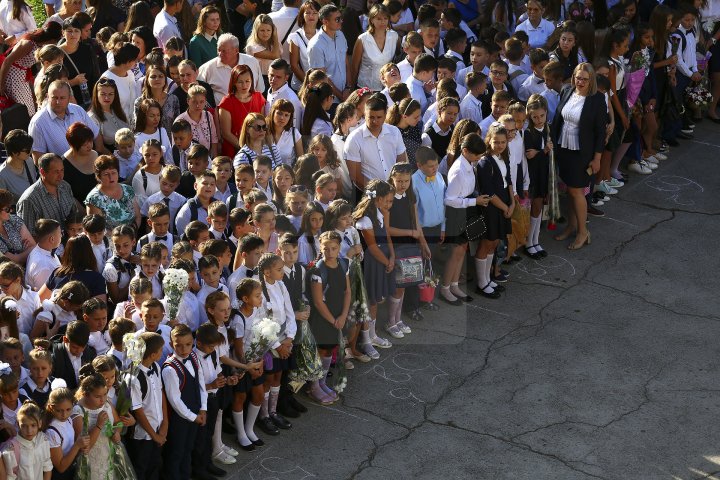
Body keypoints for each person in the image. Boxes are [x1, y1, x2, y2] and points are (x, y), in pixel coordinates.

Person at [551, 62, 605, 250]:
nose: (580, 81)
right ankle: (572, 226)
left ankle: (583, 232)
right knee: (569, 191)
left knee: (576, 191)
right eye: (577, 77)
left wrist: (597, 158)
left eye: (584, 79)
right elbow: (558, 120)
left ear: (592, 81)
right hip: (563, 148)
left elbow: (600, 132)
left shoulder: (598, 99)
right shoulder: (567, 91)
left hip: (582, 153)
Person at [442, 132, 489, 304]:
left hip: (467, 210)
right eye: (477, 155)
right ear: (466, 151)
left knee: (462, 251)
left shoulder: (468, 163)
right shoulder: (458, 170)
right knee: (455, 254)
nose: (479, 158)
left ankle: (454, 285)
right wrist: (474, 201)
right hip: (457, 214)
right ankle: (445, 288)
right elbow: (449, 200)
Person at [162, 324, 207, 480]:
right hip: (179, 419)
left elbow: (201, 383)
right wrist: (193, 416)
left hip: (195, 412)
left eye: (188, 344)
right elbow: (174, 400)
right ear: (171, 345)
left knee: (188, 449)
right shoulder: (170, 368)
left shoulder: (194, 357)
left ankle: (186, 476)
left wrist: (203, 409)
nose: (184, 349)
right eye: (178, 345)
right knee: (176, 452)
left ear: (193, 342)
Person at [28, 81, 102, 162]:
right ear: (47, 97)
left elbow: (96, 135)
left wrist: (97, 158)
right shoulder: (38, 123)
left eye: (62, 98)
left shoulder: (78, 110)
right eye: (54, 97)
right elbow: (38, 159)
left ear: (69, 98)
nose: (58, 102)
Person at [345, 95, 408, 191]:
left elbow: (401, 163)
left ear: (385, 114)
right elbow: (356, 176)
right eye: (371, 117)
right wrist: (376, 193)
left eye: (379, 117)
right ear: (364, 115)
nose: (375, 121)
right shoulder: (354, 139)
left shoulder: (394, 132)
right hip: (369, 196)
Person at [0, 23, 62, 117]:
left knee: (30, 107)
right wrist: (1, 85)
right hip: (13, 76)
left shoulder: (38, 44)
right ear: (51, 39)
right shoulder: (28, 44)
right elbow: (7, 61)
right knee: (21, 108)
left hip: (22, 75)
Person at [71, 369, 120, 480]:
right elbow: (84, 447)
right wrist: (98, 426)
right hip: (91, 464)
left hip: (109, 459)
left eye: (105, 394)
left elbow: (118, 422)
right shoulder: (78, 412)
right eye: (97, 397)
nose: (102, 400)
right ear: (85, 394)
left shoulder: (107, 404)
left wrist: (117, 432)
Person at [16, 154, 77, 237]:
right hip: (47, 248)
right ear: (43, 172)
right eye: (56, 171)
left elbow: (74, 215)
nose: (60, 175)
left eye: (62, 170)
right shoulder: (29, 200)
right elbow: (27, 236)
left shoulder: (65, 186)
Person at [199, 33, 264, 105]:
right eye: (218, 50)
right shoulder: (207, 68)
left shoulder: (252, 62)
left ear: (236, 51)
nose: (220, 54)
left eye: (224, 51)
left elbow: (259, 90)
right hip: (221, 113)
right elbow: (198, 92)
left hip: (250, 111)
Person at [523, 99, 552, 259]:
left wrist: (541, 152)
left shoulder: (547, 129)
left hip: (544, 173)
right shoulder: (528, 133)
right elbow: (529, 155)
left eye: (542, 115)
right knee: (534, 206)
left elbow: (540, 153)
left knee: (539, 206)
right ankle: (528, 242)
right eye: (535, 117)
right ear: (530, 117)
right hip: (533, 175)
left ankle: (535, 240)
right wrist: (543, 151)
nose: (539, 119)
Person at [218, 64, 267, 158]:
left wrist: (256, 147)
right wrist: (247, 149)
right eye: (240, 82)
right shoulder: (227, 102)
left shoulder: (258, 97)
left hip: (257, 147)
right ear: (234, 83)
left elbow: (263, 125)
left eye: (247, 81)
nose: (244, 85)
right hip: (235, 150)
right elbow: (226, 133)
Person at [307, 4, 350, 103]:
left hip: (345, 95)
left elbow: (346, 62)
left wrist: (348, 87)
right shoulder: (316, 45)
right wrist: (341, 96)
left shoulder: (341, 35)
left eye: (341, 18)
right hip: (327, 100)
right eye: (337, 19)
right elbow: (321, 77)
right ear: (325, 21)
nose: (341, 21)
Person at [85, 155, 140, 230]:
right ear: (99, 176)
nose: (111, 177)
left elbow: (137, 216)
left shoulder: (128, 189)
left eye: (113, 173)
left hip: (132, 237)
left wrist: (132, 232)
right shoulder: (94, 199)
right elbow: (97, 229)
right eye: (106, 174)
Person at [351, 4, 398, 91]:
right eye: (379, 19)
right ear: (372, 20)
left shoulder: (394, 36)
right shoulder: (362, 39)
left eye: (385, 18)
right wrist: (351, 89)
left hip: (386, 88)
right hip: (365, 89)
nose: (382, 22)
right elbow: (354, 67)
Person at [46, 387, 89, 479]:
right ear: (51, 407)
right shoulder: (51, 432)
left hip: (71, 470)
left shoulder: (69, 420)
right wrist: (77, 446)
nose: (64, 414)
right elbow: (61, 467)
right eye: (59, 410)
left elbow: (70, 445)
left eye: (68, 409)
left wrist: (81, 447)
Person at [60, 15, 100, 109]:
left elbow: (96, 75)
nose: (73, 34)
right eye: (69, 31)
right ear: (63, 33)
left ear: (80, 33)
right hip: (70, 104)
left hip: (91, 100)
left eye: (76, 31)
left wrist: (96, 100)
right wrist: (74, 81)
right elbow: (54, 83)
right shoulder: (57, 53)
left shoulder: (88, 49)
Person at [100, 43, 141, 126]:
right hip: (115, 127)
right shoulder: (106, 79)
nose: (137, 62)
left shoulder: (130, 74)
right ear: (127, 61)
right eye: (135, 59)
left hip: (131, 125)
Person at [175, 84, 220, 158]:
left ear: (205, 102)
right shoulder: (180, 120)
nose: (198, 105)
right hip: (189, 162)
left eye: (201, 102)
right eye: (194, 102)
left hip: (207, 160)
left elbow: (214, 139)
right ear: (188, 101)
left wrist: (214, 160)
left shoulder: (208, 115)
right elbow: (177, 147)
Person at [88, 77, 130, 155]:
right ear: (96, 95)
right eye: (103, 94)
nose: (107, 98)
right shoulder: (92, 117)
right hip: (111, 158)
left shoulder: (118, 110)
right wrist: (117, 161)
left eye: (111, 94)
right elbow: (99, 148)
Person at [62, 122, 100, 205]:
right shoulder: (64, 165)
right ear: (73, 145)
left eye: (90, 141)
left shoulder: (97, 156)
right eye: (84, 144)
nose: (89, 146)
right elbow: (68, 195)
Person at [288, 0, 320, 92]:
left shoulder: (323, 35)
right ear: (302, 15)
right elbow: (294, 65)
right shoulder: (295, 36)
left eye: (315, 13)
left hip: (321, 85)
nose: (311, 16)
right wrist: (310, 84)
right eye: (308, 13)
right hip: (301, 86)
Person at [0, 130, 37, 205]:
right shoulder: (2, 175)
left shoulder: (29, 161)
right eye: (27, 150)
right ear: (15, 153)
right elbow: (3, 204)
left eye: (31, 148)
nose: (30, 152)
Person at [0, 189, 34, 265]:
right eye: (7, 209)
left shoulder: (14, 220)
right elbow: (10, 262)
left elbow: (34, 249)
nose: (11, 211)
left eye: (11, 207)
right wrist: (24, 251)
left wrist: (17, 256)